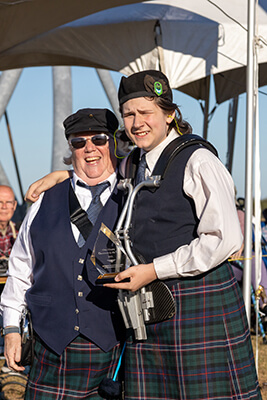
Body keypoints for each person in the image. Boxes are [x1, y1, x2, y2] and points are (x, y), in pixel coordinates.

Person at [25, 71, 261, 400]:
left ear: (169, 114)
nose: (137, 123)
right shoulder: (135, 162)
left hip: (198, 305)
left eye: (146, 112)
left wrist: (152, 271)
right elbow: (98, 166)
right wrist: (63, 175)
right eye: (129, 114)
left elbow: (224, 239)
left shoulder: (198, 160)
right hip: (150, 312)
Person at [0, 108, 126, 399]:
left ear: (113, 144)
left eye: (99, 139)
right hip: (51, 348)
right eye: (79, 143)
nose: (89, 148)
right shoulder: (44, 200)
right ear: (71, 149)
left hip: (114, 347)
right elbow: (20, 270)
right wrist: (10, 329)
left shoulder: (132, 196)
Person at [0, 185, 18, 276]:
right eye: (0, 202)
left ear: (14, 205)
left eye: (8, 202)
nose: (4, 206)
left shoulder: (22, 233)